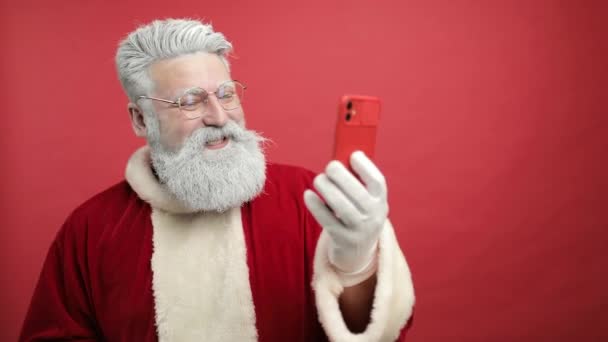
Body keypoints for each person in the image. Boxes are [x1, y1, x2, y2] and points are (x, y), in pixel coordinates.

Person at [19, 18, 415, 341]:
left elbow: (377, 334)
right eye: (190, 101)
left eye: (226, 93)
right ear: (141, 119)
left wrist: (359, 265)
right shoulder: (91, 230)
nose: (219, 116)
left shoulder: (309, 199)